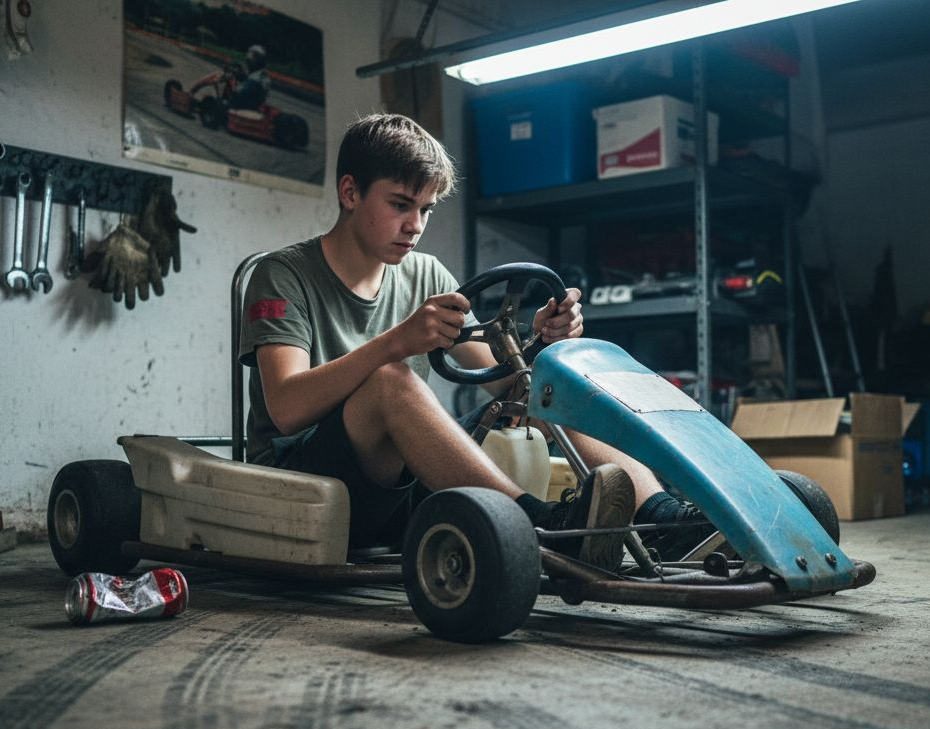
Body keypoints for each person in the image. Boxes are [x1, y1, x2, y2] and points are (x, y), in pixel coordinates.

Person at [238, 114, 713, 570]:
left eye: (426, 209)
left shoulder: (425, 274)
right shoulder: (282, 275)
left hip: (401, 484)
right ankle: (536, 525)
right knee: (391, 381)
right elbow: (287, 408)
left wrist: (540, 344)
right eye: (400, 205)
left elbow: (506, 384)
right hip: (307, 486)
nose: (415, 225)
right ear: (350, 192)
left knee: (549, 384)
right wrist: (396, 342)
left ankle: (665, 521)